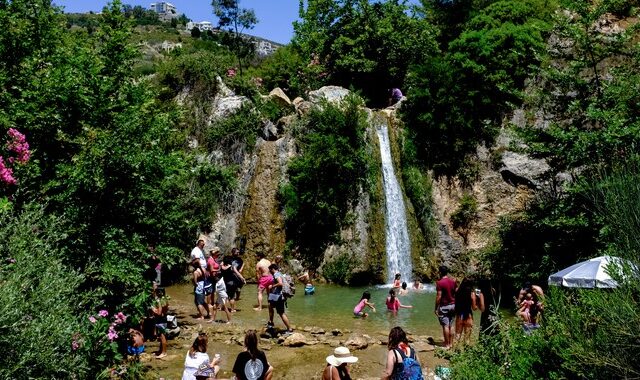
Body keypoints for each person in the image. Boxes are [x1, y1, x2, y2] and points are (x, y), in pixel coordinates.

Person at [454, 278, 483, 345]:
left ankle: (455, 352)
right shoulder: (472, 294)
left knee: (457, 335)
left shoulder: (457, 291)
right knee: (467, 338)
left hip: (459, 315)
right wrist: (478, 301)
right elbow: (474, 308)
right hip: (468, 316)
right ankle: (466, 353)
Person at [435, 265, 456, 349]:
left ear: (440, 272)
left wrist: (436, 308)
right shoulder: (453, 282)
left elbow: (439, 296)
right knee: (451, 325)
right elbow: (455, 293)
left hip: (444, 306)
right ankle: (451, 344)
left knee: (445, 326)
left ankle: (447, 345)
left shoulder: (439, 283)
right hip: (453, 305)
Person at [267, 263, 293, 333]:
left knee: (281, 313)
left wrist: (272, 286)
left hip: (278, 296)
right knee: (270, 306)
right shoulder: (280, 273)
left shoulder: (276, 274)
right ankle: (271, 322)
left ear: (273, 269)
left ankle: (289, 328)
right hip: (277, 296)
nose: (270, 272)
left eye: (270, 270)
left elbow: (280, 283)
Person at [150, 284, 168, 358]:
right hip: (163, 319)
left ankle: (164, 352)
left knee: (162, 336)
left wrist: (153, 309)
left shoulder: (159, 301)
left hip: (161, 320)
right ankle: (161, 351)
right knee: (161, 337)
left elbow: (159, 313)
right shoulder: (164, 299)